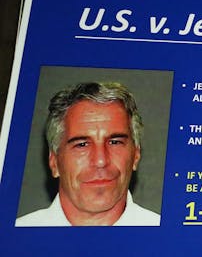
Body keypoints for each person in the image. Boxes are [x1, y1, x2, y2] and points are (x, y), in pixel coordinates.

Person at [16, 82, 160, 226]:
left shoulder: (170, 237)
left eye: (115, 142)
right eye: (82, 145)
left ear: (136, 154)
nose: (100, 161)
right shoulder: (12, 238)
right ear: (54, 162)